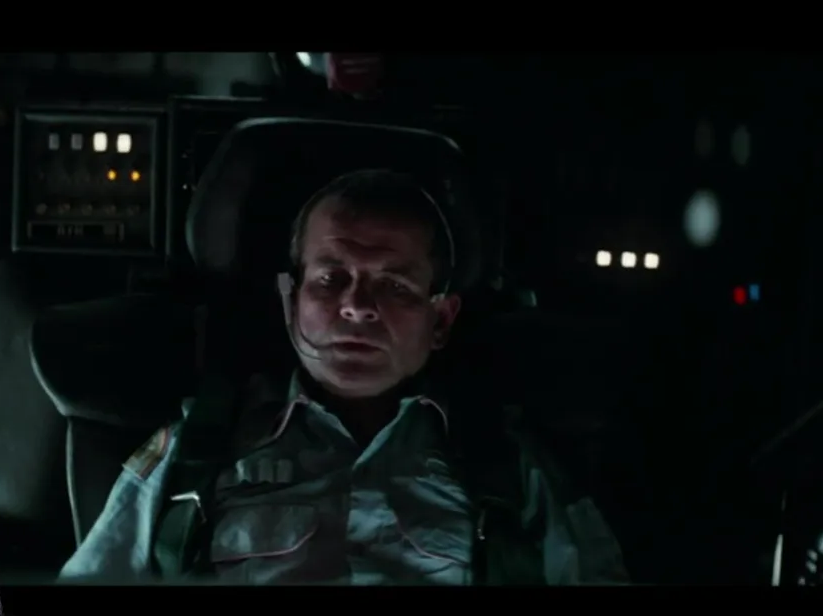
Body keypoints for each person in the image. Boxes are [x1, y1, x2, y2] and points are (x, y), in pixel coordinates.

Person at [59, 169, 631, 585]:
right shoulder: (196, 451)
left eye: (395, 285)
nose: (358, 307)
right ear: (291, 302)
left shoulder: (508, 465)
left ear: (440, 320)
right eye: (331, 279)